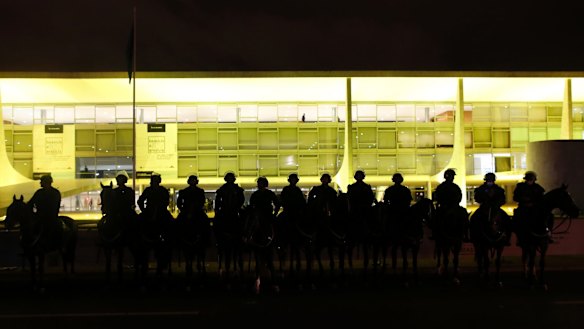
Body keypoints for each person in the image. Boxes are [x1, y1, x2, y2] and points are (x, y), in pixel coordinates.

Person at [473, 172, 510, 245]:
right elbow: (477, 198)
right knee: (474, 218)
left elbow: (503, 199)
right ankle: (473, 236)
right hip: (484, 209)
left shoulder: (499, 189)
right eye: (488, 180)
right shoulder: (481, 189)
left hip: (496, 208)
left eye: (491, 180)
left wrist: (496, 204)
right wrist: (484, 201)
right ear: (485, 180)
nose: (490, 182)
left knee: (507, 219)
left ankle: (506, 237)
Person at [513, 171, 549, 243]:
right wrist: (524, 200)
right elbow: (515, 197)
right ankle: (519, 237)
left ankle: (547, 234)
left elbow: (541, 199)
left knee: (547, 217)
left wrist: (533, 203)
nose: (529, 181)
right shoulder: (520, 187)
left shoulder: (538, 188)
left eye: (531, 180)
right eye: (528, 180)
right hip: (523, 208)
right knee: (516, 220)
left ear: (534, 180)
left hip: (535, 209)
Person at [28, 174, 62, 245]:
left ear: (46, 182)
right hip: (48, 216)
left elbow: (30, 204)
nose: (40, 183)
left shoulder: (40, 193)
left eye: (41, 181)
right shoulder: (55, 192)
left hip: (48, 218)